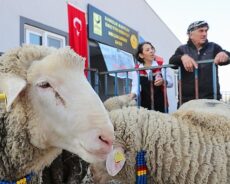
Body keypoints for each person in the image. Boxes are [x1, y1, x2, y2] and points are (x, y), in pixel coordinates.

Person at [169, 21, 230, 105]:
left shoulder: (213, 47)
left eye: (206, 31)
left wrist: (224, 54)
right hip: (187, 101)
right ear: (191, 35)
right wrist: (182, 57)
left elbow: (226, 56)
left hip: (211, 99)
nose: (204, 34)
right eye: (201, 31)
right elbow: (172, 61)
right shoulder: (182, 49)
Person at [130, 42, 173, 112]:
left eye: (152, 49)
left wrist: (163, 81)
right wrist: (131, 96)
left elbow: (170, 83)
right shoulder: (136, 69)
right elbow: (135, 87)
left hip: (161, 104)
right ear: (141, 55)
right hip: (144, 105)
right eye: (147, 50)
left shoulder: (162, 64)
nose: (151, 51)